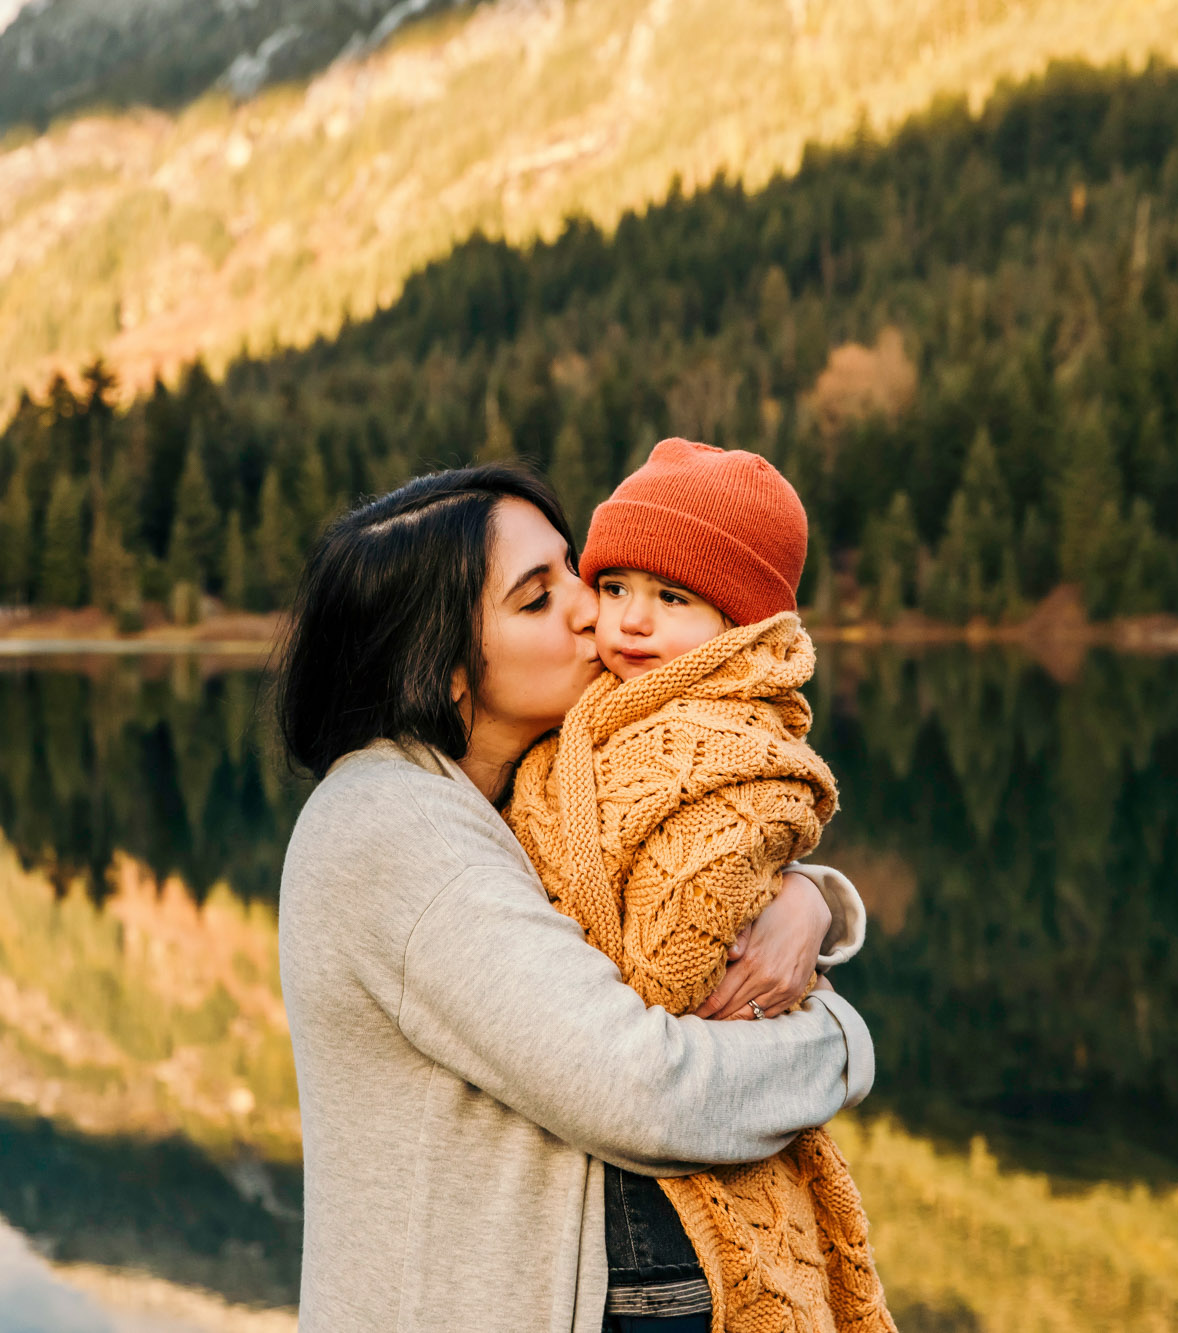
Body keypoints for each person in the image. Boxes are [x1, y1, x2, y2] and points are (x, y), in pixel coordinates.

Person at [273, 463, 876, 1332]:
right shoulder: (398, 831)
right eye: (536, 597)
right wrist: (839, 1040)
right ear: (442, 671)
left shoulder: (517, 794)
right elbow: (642, 1088)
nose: (594, 608)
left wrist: (807, 898)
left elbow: (668, 885)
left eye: (573, 570)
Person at [506, 439, 895, 1333]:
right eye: (614, 589)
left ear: (741, 624)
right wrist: (815, 900)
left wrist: (808, 904)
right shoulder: (582, 723)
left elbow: (667, 980)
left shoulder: (742, 756)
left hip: (666, 1222)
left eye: (672, 599)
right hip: (593, 1201)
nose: (629, 624)